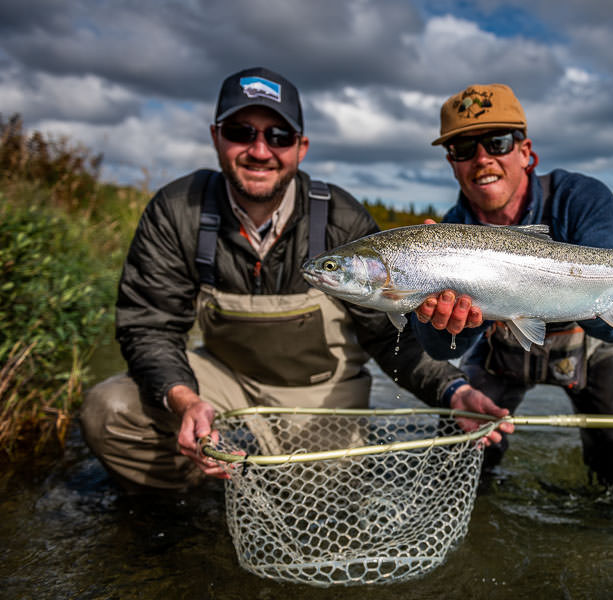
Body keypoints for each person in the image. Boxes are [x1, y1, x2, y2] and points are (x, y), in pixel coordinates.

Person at [79, 67, 507, 491]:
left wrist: (453, 391)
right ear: (216, 137)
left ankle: (258, 486)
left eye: (278, 136)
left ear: (300, 147)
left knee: (325, 496)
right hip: (223, 383)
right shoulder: (177, 210)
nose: (260, 150)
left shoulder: (341, 218)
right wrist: (185, 401)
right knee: (109, 412)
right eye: (242, 132)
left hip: (322, 401)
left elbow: (388, 337)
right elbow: (149, 326)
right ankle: (204, 491)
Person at [411, 83, 613, 487]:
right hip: (502, 342)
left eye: (496, 142)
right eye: (464, 149)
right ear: (452, 162)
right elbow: (441, 349)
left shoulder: (582, 199)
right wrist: (445, 323)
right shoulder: (444, 238)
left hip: (590, 342)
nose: (482, 159)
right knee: (457, 458)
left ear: (526, 151)